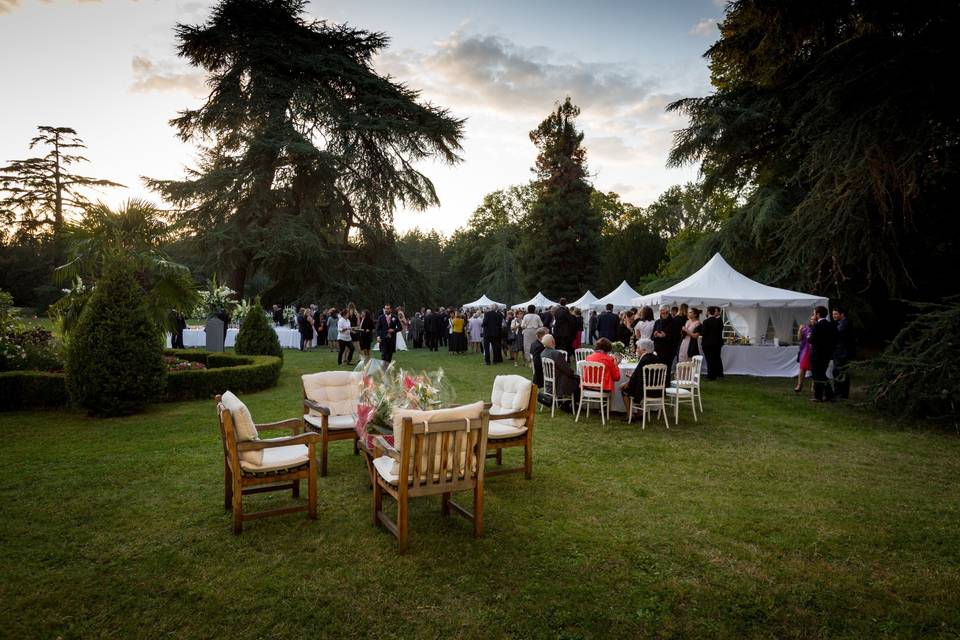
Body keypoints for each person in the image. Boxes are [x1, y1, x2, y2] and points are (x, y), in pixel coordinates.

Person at [619, 338, 661, 413]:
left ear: (644, 350)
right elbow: (643, 375)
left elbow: (637, 378)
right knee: (632, 386)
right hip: (657, 390)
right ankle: (640, 413)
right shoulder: (656, 358)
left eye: (638, 348)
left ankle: (629, 415)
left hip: (645, 390)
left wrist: (627, 382)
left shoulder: (644, 359)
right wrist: (632, 377)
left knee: (623, 389)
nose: (636, 350)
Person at [540, 334, 580, 411]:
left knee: (576, 379)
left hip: (549, 382)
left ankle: (571, 404)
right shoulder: (556, 354)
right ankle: (574, 405)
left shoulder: (543, 353)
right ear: (553, 342)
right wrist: (573, 374)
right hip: (559, 383)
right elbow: (568, 371)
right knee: (579, 382)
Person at [809, 305, 837, 402]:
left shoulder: (816, 326)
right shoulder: (831, 325)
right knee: (821, 374)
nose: (813, 315)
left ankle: (819, 396)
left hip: (817, 354)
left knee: (817, 375)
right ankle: (828, 395)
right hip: (827, 354)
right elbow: (834, 340)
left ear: (818, 314)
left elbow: (811, 340)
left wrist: (809, 337)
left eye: (814, 313)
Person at [832, 307, 855, 399]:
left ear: (842, 314)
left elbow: (838, 333)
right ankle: (839, 392)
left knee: (841, 372)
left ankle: (842, 393)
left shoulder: (845, 323)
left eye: (836, 314)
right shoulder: (839, 323)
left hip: (843, 353)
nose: (834, 316)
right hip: (839, 352)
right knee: (837, 372)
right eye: (833, 314)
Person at [700, 306, 725, 380]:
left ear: (708, 312)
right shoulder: (719, 321)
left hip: (707, 343)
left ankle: (711, 375)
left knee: (709, 359)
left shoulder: (706, 321)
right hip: (717, 343)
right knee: (715, 358)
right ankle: (717, 373)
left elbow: (703, 333)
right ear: (714, 312)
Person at [652, 306, 679, 371]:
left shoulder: (674, 322)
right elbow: (652, 336)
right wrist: (655, 335)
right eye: (662, 313)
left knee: (666, 368)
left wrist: (665, 336)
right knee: (658, 368)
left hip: (669, 349)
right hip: (658, 349)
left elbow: (677, 337)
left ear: (668, 312)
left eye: (666, 313)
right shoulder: (657, 322)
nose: (664, 315)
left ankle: (666, 381)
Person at [794, 312, 815, 392]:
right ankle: (799, 385)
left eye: (814, 319)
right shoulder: (806, 328)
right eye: (811, 319)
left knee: (814, 369)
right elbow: (799, 338)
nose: (812, 321)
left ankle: (813, 386)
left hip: (814, 351)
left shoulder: (817, 329)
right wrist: (799, 330)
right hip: (805, 351)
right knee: (802, 368)